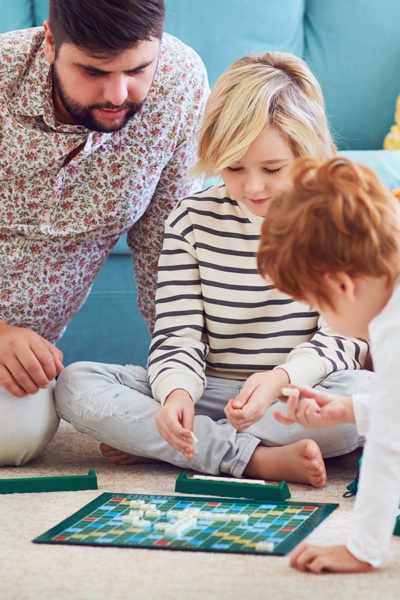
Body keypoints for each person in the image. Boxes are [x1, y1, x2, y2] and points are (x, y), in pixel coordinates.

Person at [55, 51, 371, 486]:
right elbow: (178, 332)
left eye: (273, 168)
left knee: (367, 397)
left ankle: (175, 449)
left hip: (295, 394)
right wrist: (176, 395)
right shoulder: (191, 219)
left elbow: (343, 339)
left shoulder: (340, 219)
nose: (253, 186)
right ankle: (252, 458)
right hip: (209, 390)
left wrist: (281, 379)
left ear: (307, 150)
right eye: (234, 168)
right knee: (75, 383)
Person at [0, 0, 209, 466]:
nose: (118, 93)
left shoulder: (179, 83)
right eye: (93, 71)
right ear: (51, 40)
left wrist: (179, 382)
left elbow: (169, 258)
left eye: (138, 69)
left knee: (18, 433)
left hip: (23, 365)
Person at [257, 155, 400, 572]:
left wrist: (362, 548)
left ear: (342, 285)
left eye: (318, 303)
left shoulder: (393, 325)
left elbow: (388, 447)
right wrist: (352, 410)